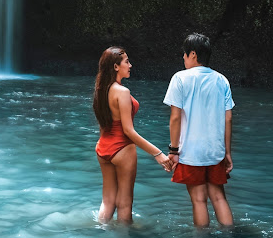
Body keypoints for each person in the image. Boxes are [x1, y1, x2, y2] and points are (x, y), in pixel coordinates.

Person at [93, 46, 172, 223]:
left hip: (102, 148)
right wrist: (158, 154)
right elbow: (128, 131)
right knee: (125, 204)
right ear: (115, 66)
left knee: (107, 202)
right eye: (127, 62)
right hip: (122, 148)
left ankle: (101, 236)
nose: (130, 65)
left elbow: (104, 123)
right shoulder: (122, 92)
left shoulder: (101, 89)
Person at [164, 33, 234, 227]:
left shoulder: (180, 78)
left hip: (191, 152)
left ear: (193, 54)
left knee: (199, 200)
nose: (183, 59)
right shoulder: (222, 80)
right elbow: (228, 118)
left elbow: (176, 117)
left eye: (185, 55)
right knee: (219, 198)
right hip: (215, 151)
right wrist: (227, 153)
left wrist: (173, 151)